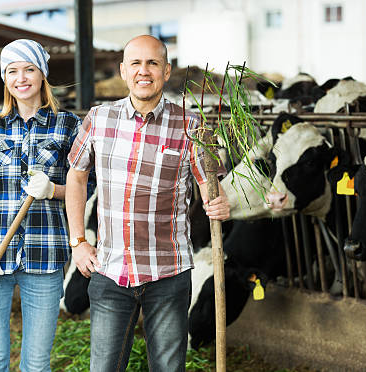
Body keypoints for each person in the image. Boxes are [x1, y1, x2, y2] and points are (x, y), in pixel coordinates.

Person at [65, 35, 230, 372]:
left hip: (168, 275)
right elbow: (76, 177)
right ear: (124, 71)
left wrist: (220, 203)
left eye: (153, 63)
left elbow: (210, 186)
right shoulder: (99, 119)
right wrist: (79, 241)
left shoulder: (191, 124)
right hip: (111, 273)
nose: (144, 71)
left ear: (166, 71)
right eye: (136, 64)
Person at [0, 39, 93, 371]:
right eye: (12, 71)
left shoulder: (69, 125)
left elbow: (85, 187)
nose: (21, 78)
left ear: (42, 74)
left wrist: (52, 190)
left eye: (29, 69)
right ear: (5, 78)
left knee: (36, 364)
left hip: (45, 254)